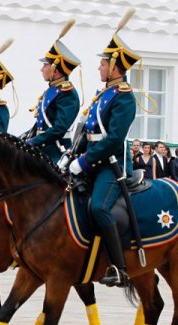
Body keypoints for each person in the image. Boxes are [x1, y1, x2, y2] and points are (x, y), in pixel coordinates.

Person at [69, 23, 139, 287]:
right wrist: (72, 156)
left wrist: (84, 161)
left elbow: (113, 139)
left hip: (112, 163)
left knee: (99, 206)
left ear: (115, 67)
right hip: (92, 158)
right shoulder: (104, 94)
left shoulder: (124, 97)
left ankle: (119, 268)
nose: (99, 67)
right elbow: (88, 131)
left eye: (103, 63)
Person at [26, 21, 81, 164]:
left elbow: (59, 128)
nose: (42, 69)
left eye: (45, 65)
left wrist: (34, 142)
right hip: (42, 147)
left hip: (55, 150)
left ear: (55, 69)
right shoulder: (52, 90)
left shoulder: (67, 93)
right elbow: (41, 125)